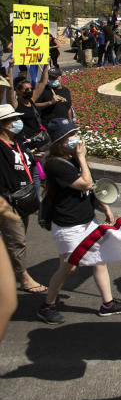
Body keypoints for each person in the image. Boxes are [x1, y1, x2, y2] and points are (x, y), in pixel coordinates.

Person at [37, 119, 121, 324]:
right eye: (70, 136)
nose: (75, 138)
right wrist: (82, 158)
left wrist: (103, 206)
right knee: (68, 267)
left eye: (75, 133)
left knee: (100, 259)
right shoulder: (55, 164)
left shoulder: (72, 159)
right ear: (59, 142)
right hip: (68, 226)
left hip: (86, 221)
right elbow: (86, 183)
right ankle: (47, 305)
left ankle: (107, 303)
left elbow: (91, 189)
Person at [0, 104, 46, 295]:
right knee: (17, 241)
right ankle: (24, 278)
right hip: (7, 200)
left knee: (13, 240)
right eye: (13, 120)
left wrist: (34, 157)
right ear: (3, 124)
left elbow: (23, 161)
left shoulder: (16, 142)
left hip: (23, 199)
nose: (17, 123)